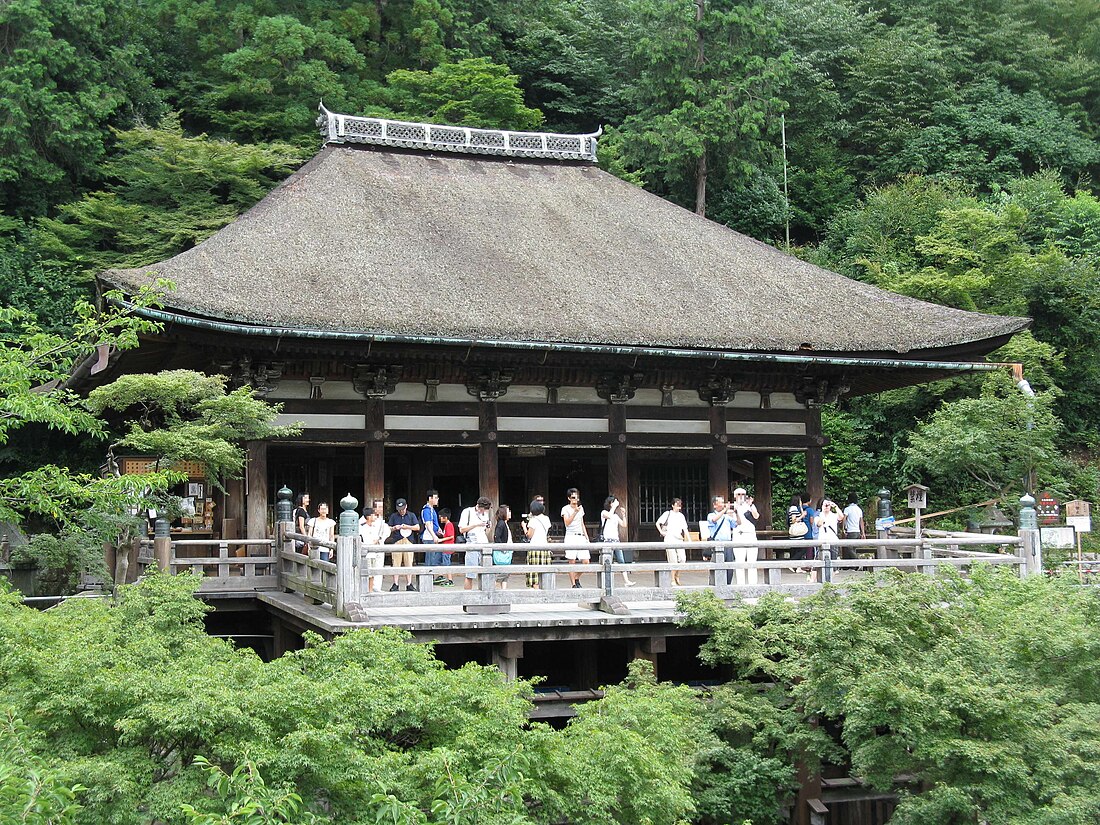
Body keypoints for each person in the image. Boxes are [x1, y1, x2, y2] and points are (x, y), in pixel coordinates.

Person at [386, 498, 420, 591]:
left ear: (406, 507)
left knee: (409, 562)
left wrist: (407, 527)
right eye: (399, 510)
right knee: (396, 563)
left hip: (408, 540)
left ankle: (409, 583)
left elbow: (417, 527)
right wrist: (394, 528)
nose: (401, 511)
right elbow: (388, 528)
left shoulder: (411, 515)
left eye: (403, 509)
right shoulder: (394, 516)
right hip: (397, 540)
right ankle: (395, 583)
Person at [459, 497, 492, 591]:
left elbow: (486, 531)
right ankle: (468, 597)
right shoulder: (467, 512)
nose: (483, 512)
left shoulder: (485, 514)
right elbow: (461, 529)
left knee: (486, 572)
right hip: (472, 542)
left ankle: (485, 596)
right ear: (479, 506)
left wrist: (488, 527)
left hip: (484, 542)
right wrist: (476, 525)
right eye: (483, 510)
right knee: (470, 574)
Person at [656, 498, 690, 586]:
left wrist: (689, 539)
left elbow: (685, 528)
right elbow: (658, 523)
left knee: (682, 559)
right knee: (673, 560)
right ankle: (672, 579)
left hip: (679, 538)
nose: (679, 505)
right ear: (672, 505)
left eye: (680, 504)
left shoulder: (681, 516)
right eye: (677, 504)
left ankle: (677, 575)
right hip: (669, 538)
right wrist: (661, 532)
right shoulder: (668, 514)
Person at [601, 496, 634, 586]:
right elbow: (608, 516)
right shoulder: (604, 513)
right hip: (607, 541)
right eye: (614, 502)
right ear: (610, 503)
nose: (616, 503)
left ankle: (626, 581)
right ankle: (606, 582)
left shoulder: (615, 516)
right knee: (608, 562)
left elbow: (624, 525)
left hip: (616, 541)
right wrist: (614, 506)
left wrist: (623, 515)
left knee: (621, 560)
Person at [561, 488, 589, 588]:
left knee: (586, 561)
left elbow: (582, 523)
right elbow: (567, 523)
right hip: (570, 536)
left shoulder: (581, 508)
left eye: (577, 497)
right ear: (569, 498)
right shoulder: (565, 509)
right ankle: (573, 584)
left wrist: (587, 538)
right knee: (571, 561)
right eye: (573, 497)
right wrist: (574, 512)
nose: (575, 499)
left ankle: (576, 577)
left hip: (580, 536)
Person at [731, 487, 760, 586]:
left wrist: (750, 505)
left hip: (750, 535)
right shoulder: (732, 506)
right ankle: (741, 585)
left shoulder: (750, 506)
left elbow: (756, 516)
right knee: (739, 562)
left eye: (743, 494)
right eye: (738, 494)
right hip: (739, 535)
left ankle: (753, 585)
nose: (741, 496)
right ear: (735, 496)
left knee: (752, 562)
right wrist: (735, 509)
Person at [706, 494, 737, 583]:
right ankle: (714, 585)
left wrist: (737, 512)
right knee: (717, 566)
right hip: (717, 544)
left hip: (728, 544)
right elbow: (714, 520)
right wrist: (724, 510)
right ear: (715, 505)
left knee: (729, 567)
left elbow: (736, 524)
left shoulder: (727, 516)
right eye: (721, 502)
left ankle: (728, 585)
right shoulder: (711, 515)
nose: (723, 504)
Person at [358, 508, 390, 593]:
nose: (375, 516)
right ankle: (364, 590)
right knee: (366, 572)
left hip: (374, 553)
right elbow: (365, 540)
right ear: (368, 517)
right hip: (367, 552)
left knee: (373, 573)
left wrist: (379, 539)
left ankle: (371, 590)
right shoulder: (362, 527)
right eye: (373, 515)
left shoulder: (375, 526)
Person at [523, 500, 552, 589]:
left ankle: (536, 590)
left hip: (534, 547)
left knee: (534, 572)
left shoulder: (533, 520)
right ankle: (545, 589)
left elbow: (529, 535)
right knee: (544, 571)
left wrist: (524, 527)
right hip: (545, 547)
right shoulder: (546, 518)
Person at [421, 490, 443, 585]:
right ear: (430, 498)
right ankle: (427, 581)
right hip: (429, 537)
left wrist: (439, 530)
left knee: (433, 559)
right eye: (435, 498)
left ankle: (430, 579)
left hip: (433, 536)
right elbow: (428, 525)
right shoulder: (426, 510)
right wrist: (434, 536)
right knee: (429, 560)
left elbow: (434, 524)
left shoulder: (432, 510)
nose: (437, 500)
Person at [492, 505, 515, 588]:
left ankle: (503, 592)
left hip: (506, 552)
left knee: (505, 575)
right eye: (508, 511)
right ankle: (496, 593)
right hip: (503, 553)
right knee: (500, 575)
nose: (510, 513)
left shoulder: (504, 523)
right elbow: (496, 537)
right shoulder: (501, 524)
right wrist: (503, 548)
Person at [842, 494, 865, 561]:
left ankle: (858, 562)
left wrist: (843, 529)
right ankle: (853, 565)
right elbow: (861, 521)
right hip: (857, 531)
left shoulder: (847, 509)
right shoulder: (859, 509)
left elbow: (844, 519)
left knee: (849, 548)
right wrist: (863, 532)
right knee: (853, 548)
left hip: (850, 531)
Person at [436, 507, 456, 585]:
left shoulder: (449, 524)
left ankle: (450, 580)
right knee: (443, 562)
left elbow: (451, 536)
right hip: (445, 547)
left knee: (447, 564)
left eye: (440, 517)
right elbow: (447, 535)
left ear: (445, 517)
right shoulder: (446, 525)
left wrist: (441, 540)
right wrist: (442, 534)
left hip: (448, 548)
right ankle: (441, 576)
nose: (440, 518)